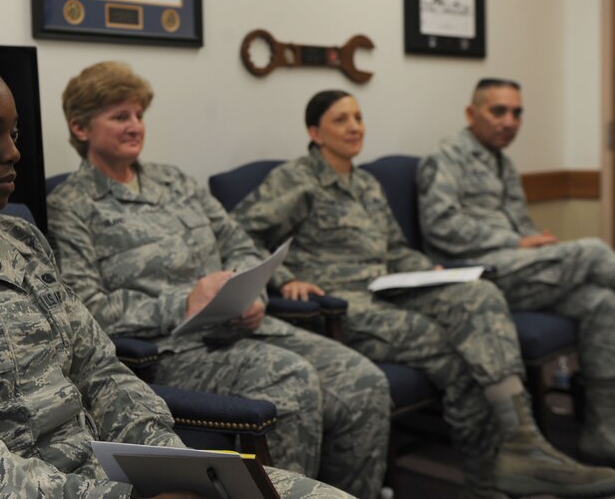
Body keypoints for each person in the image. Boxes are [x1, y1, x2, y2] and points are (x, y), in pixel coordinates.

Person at [0, 44, 351, 499]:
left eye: (15, 134)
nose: (14, 153)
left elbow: (101, 371)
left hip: (112, 475)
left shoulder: (20, 239)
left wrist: (175, 471)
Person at [232, 89, 615, 499]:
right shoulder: (296, 179)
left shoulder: (366, 182)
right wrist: (285, 278)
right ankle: (488, 480)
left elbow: (396, 249)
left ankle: (521, 440)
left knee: (480, 294)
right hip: (342, 303)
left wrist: (428, 272)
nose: (355, 127)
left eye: (359, 117)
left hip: (385, 287)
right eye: (341, 120)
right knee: (461, 352)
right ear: (315, 131)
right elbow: (241, 232)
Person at [47, 61, 389, 498]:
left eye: (138, 115)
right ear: (80, 128)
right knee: (292, 379)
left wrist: (254, 295)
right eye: (119, 117)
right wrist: (185, 302)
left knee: (366, 382)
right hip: (174, 349)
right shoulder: (71, 205)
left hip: (246, 325)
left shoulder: (177, 182)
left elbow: (241, 244)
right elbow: (87, 310)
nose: (135, 126)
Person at [417, 77, 615, 482]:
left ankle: (604, 432)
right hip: (477, 277)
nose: (510, 121)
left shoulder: (502, 161)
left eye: (517, 113)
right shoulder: (446, 157)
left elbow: (524, 229)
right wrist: (518, 241)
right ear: (470, 113)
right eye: (498, 111)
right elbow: (441, 227)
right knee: (594, 251)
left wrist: (536, 246)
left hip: (516, 269)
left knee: (601, 300)